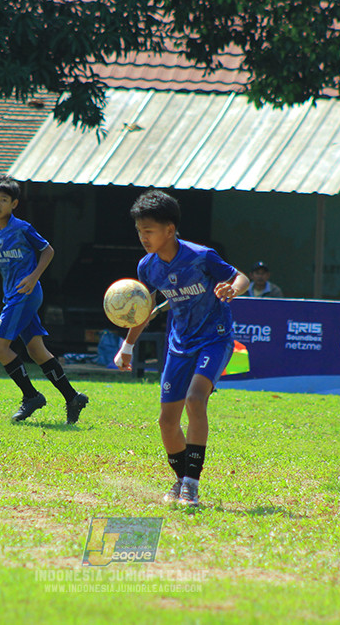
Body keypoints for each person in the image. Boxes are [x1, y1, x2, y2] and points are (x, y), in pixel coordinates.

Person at [113, 189, 249, 507]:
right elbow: (142, 308)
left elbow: (239, 277)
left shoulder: (201, 256)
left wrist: (233, 289)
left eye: (149, 231)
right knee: (167, 422)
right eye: (139, 231)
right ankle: (179, 478)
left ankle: (191, 484)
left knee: (195, 399)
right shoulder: (147, 267)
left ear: (169, 230)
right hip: (179, 345)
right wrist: (127, 346)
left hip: (215, 338)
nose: (143, 237)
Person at [0, 176, 89, 424]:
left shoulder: (23, 228)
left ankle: (31, 396)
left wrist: (34, 277)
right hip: (12, 295)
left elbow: (48, 251)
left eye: (4, 200)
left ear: (14, 204)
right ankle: (73, 397)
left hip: (25, 293)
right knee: (36, 349)